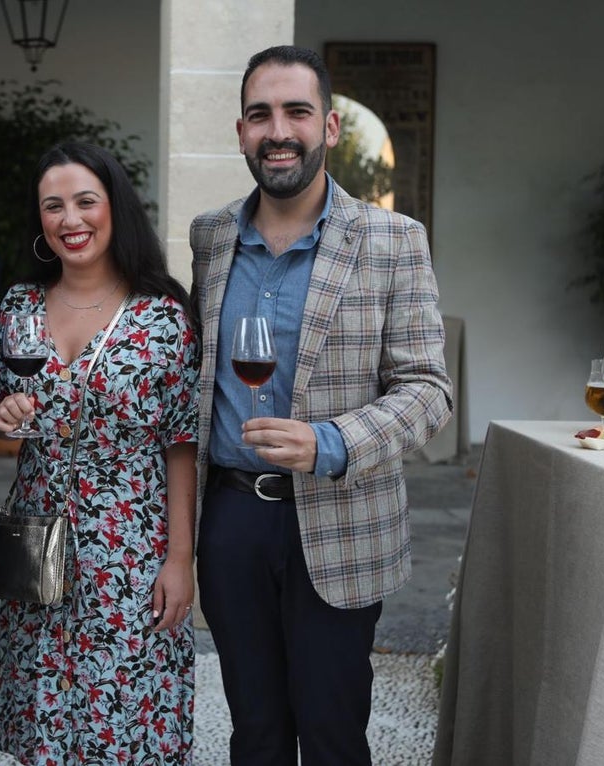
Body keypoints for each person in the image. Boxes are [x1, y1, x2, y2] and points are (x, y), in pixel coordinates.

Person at [189, 46, 453, 764]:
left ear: (330, 127)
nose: (279, 130)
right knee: (256, 732)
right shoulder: (211, 239)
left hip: (341, 520)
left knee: (334, 734)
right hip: (233, 519)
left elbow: (429, 391)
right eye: (260, 114)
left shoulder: (394, 241)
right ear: (241, 131)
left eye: (296, 112)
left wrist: (328, 443)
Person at [0, 141, 199, 763]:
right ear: (41, 223)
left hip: (131, 551)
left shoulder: (164, 316)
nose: (70, 219)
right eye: (54, 207)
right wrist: (2, 418)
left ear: (114, 209)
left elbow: (181, 443)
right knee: (43, 720)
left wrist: (181, 559)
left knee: (128, 724)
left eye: (85, 202)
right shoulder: (17, 308)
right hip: (36, 547)